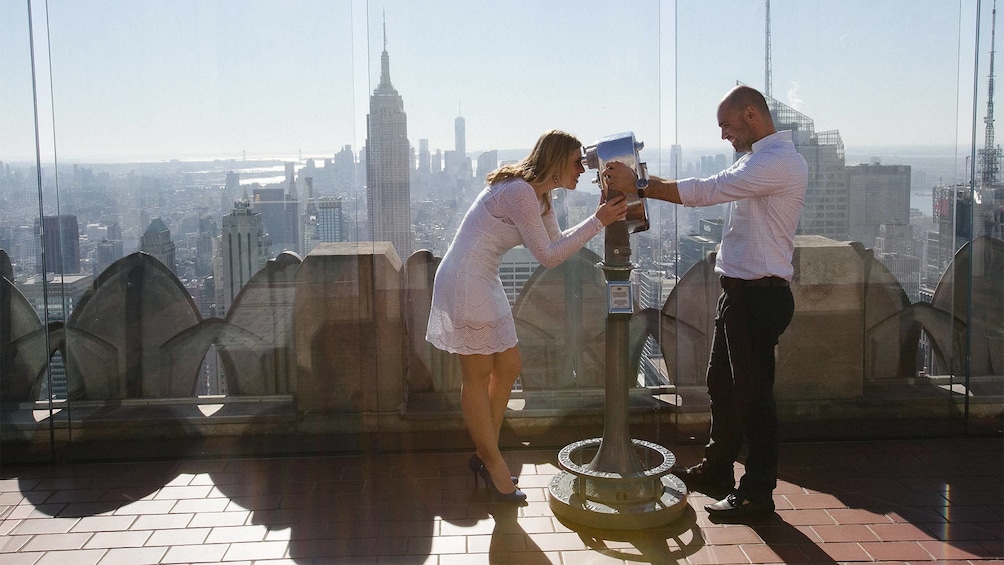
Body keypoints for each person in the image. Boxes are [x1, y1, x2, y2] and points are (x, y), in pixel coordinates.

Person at [604, 85, 807, 520]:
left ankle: (757, 493)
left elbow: (707, 190)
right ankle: (717, 471)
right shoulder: (758, 159)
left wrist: (640, 184)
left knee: (754, 398)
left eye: (727, 126)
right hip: (740, 294)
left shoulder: (778, 163)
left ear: (751, 115)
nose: (723, 136)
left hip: (759, 297)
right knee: (723, 387)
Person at [427, 129, 628, 504]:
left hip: (483, 279)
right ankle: (492, 461)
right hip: (466, 280)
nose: (582, 169)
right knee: (476, 375)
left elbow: (555, 247)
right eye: (576, 162)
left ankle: (486, 449)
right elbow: (548, 256)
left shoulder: (541, 198)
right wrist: (598, 221)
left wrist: (598, 218)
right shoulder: (520, 192)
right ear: (554, 161)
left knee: (508, 366)